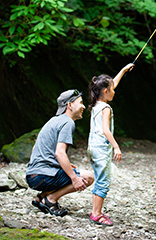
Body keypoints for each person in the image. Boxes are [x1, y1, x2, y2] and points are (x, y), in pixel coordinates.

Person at [26, 89, 94, 217]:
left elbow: (37, 147)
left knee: (70, 170)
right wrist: (74, 179)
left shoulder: (53, 120)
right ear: (69, 105)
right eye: (80, 103)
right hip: (43, 176)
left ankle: (41, 197)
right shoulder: (68, 122)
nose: (83, 107)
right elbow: (60, 153)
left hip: (33, 176)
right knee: (88, 177)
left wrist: (65, 165)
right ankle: (50, 200)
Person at [87, 63, 134, 226]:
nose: (114, 91)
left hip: (92, 149)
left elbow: (111, 84)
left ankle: (95, 211)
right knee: (103, 182)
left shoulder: (95, 105)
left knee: (100, 179)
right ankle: (96, 214)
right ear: (105, 92)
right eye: (112, 90)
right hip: (101, 150)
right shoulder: (106, 107)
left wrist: (123, 70)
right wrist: (116, 147)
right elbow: (106, 130)